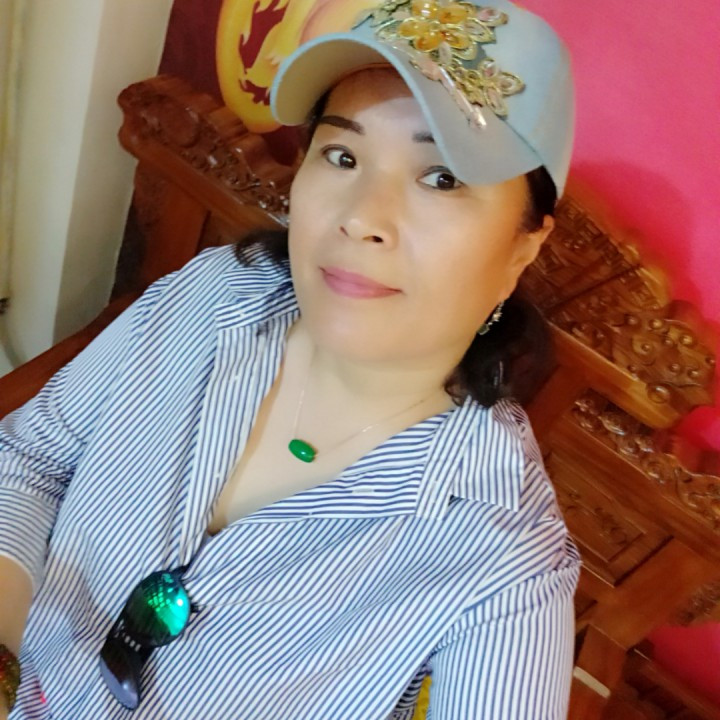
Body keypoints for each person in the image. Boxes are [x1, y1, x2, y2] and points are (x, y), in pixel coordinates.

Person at [0, 0, 580, 717]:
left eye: (441, 178)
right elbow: (32, 458)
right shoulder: (211, 298)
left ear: (523, 246)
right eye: (343, 156)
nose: (361, 218)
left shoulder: (505, 560)